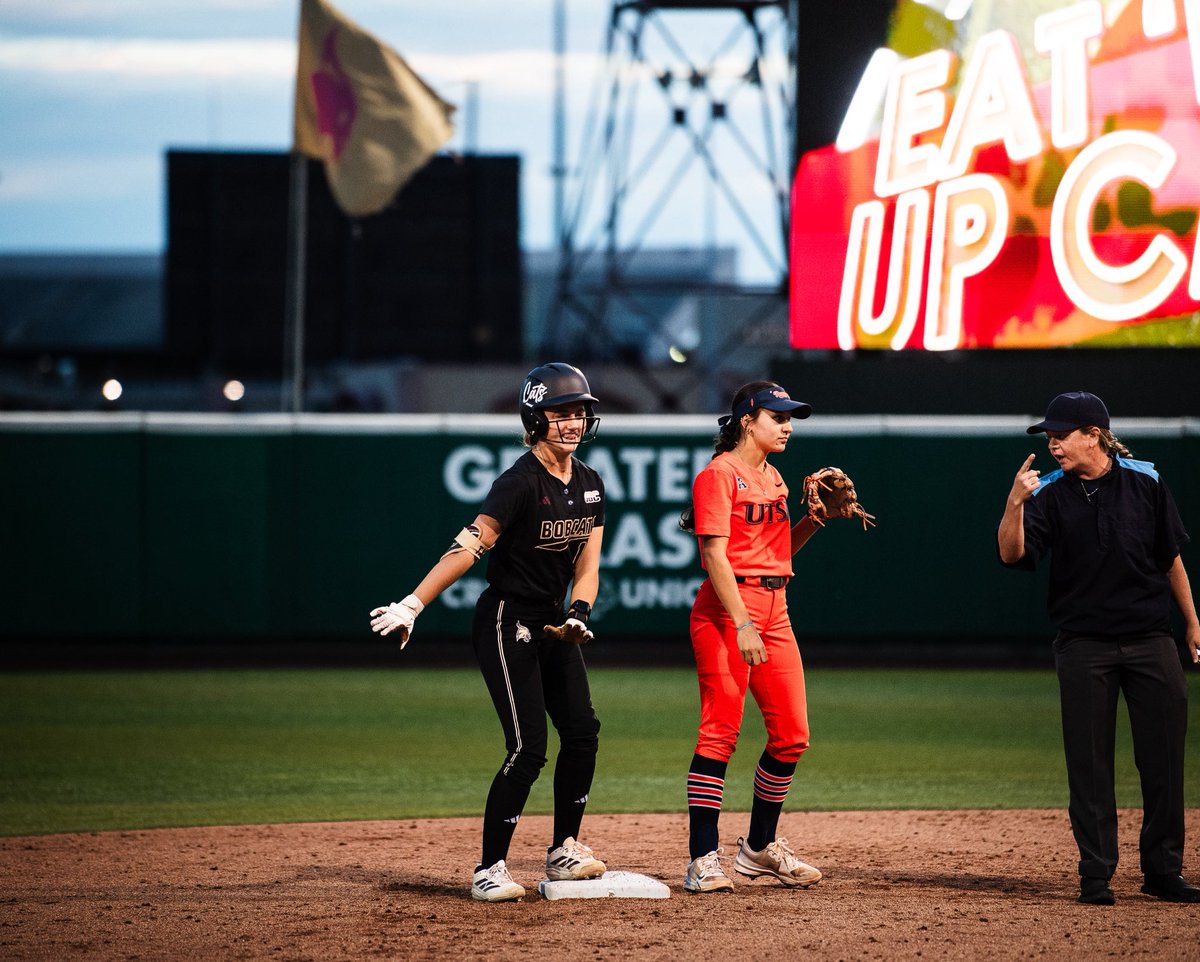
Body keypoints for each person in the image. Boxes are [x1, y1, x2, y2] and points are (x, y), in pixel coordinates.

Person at [370, 362, 608, 903]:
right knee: (527, 747)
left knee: (583, 731)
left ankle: (565, 848)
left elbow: (588, 566)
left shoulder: (591, 484)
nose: (572, 422)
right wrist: (414, 602)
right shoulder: (518, 483)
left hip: (554, 621)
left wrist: (580, 612)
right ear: (534, 417)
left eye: (579, 413)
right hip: (507, 619)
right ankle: (489, 868)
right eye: (560, 412)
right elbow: (467, 547)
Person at [997, 390, 1200, 906]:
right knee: (1089, 765)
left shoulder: (1146, 480)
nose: (1052, 445)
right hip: (1084, 645)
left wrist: (1193, 622)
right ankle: (1096, 874)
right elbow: (1012, 555)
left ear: (1094, 434)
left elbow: (1169, 558)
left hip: (1153, 640)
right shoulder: (1044, 491)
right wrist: (1014, 503)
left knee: (1164, 762)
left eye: (1060, 435)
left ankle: (1163, 872)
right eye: (1048, 436)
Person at [681, 380, 827, 894]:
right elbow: (715, 557)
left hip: (777, 608)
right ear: (748, 419)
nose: (787, 426)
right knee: (720, 732)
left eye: (790, 417)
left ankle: (759, 849)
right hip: (726, 611)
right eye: (777, 416)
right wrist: (742, 623)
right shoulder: (718, 476)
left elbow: (777, 553)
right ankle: (702, 858)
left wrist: (816, 519)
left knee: (792, 734)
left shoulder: (776, 477)